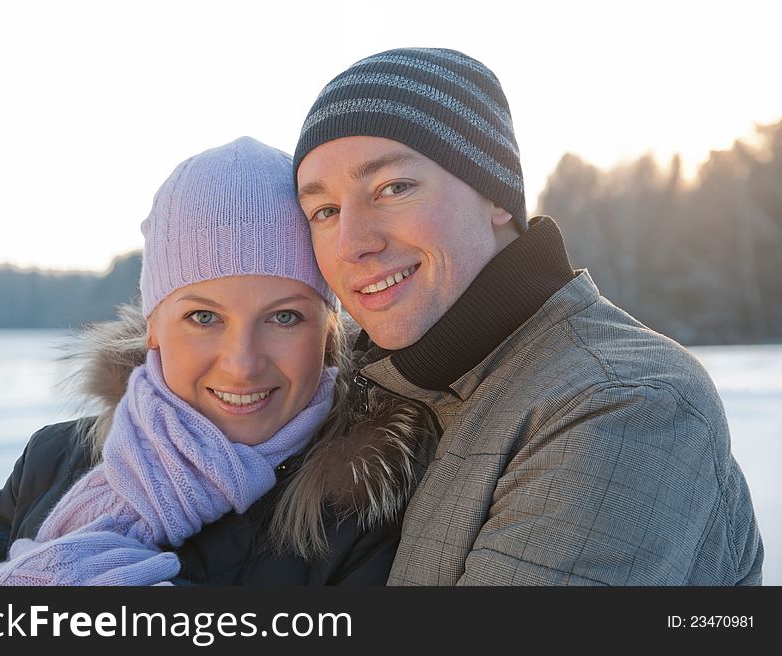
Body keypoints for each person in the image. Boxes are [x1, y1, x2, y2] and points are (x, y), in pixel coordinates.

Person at [292, 47, 763, 585]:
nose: (352, 243)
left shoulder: (618, 403)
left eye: (393, 188)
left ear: (496, 195)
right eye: (324, 211)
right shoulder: (377, 387)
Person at [0, 136, 430, 586]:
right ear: (153, 325)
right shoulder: (52, 458)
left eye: (283, 318)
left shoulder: (365, 511)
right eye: (203, 317)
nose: (242, 364)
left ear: (326, 332)